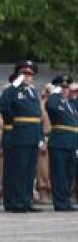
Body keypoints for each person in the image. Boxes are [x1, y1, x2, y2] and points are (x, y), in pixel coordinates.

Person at [0, 60, 43, 213]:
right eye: (24, 74)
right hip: (20, 135)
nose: (27, 77)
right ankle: (16, 201)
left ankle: (26, 200)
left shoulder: (32, 92)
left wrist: (40, 137)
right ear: (18, 75)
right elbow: (0, 106)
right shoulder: (14, 91)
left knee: (29, 171)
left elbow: (37, 116)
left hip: (33, 135)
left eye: (30, 74)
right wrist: (14, 85)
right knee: (19, 170)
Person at [45, 75, 77, 211]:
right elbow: (50, 106)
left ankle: (66, 200)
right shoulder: (55, 101)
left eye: (66, 87)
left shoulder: (70, 104)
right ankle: (59, 202)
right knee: (59, 174)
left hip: (71, 143)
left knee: (69, 174)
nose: (65, 90)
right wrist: (55, 92)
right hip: (59, 143)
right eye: (62, 87)